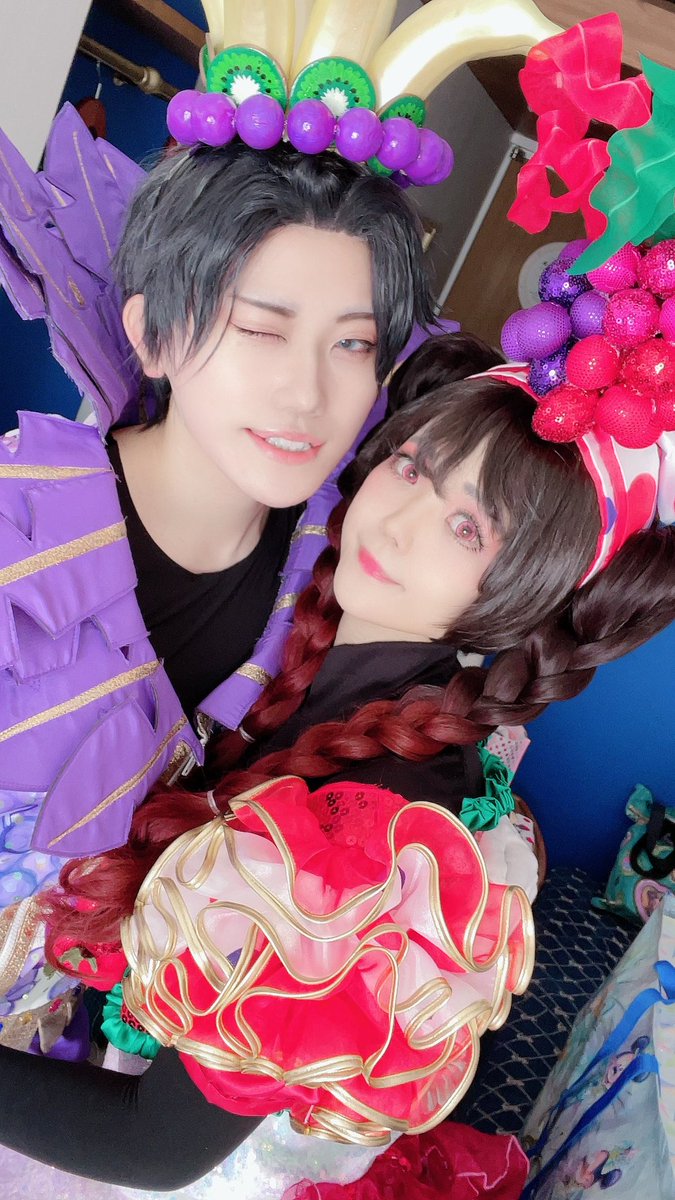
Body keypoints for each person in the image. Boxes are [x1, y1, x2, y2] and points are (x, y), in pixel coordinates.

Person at [0, 327, 673, 1190]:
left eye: (466, 527)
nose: (396, 522)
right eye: (412, 468)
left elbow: (152, 1146)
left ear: (519, 603)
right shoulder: (295, 608)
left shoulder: (377, 837)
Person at [0, 78, 442, 1049]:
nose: (307, 392)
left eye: (352, 343)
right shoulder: (16, 535)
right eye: (261, 328)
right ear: (152, 334)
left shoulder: (331, 568)